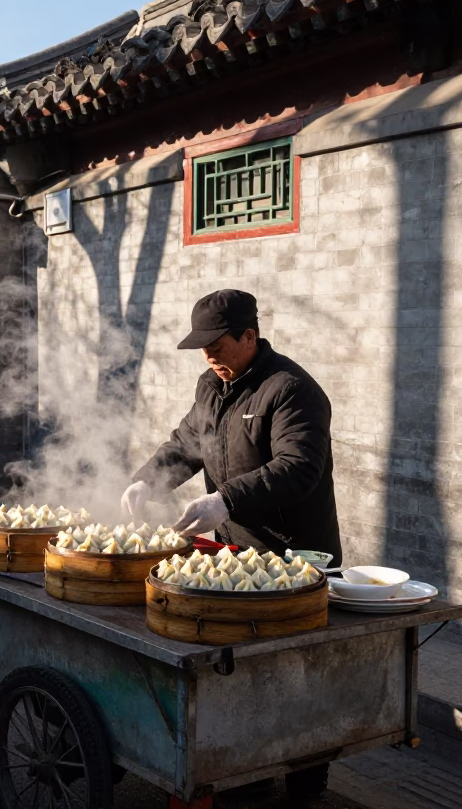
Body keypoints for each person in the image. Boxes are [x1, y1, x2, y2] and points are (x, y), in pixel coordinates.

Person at [120, 288, 340, 803]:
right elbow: (186, 443)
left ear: (250, 336)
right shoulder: (211, 385)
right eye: (203, 347)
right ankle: (250, 772)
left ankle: (306, 785)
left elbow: (298, 467)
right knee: (241, 676)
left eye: (218, 345)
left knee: (294, 680)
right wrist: (147, 480)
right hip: (234, 557)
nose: (209, 356)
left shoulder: (291, 390)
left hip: (292, 560)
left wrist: (227, 500)